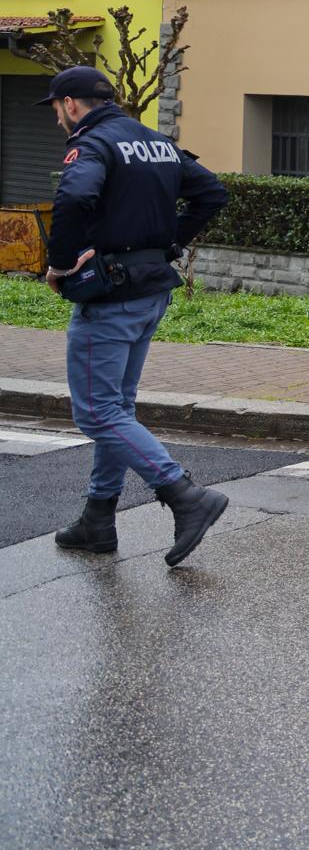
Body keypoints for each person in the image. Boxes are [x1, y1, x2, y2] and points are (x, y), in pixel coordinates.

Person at [40, 66, 232, 566]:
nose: (58, 118)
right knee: (116, 410)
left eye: (57, 108)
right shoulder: (155, 141)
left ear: (72, 105)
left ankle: (185, 496)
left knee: (97, 413)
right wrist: (167, 245)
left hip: (111, 298)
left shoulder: (94, 143)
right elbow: (212, 192)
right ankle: (98, 518)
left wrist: (61, 264)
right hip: (150, 292)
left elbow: (76, 195)